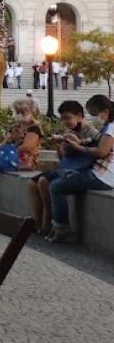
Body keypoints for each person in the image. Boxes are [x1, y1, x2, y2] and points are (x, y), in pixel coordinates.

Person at [47, 94, 114, 242]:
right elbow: (94, 141)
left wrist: (78, 147)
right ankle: (57, 226)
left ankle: (62, 228)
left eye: (94, 114)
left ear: (105, 112)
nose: (93, 118)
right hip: (99, 173)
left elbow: (101, 152)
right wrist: (71, 141)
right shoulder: (108, 127)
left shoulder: (111, 128)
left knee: (57, 186)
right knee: (60, 177)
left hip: (102, 176)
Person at [28, 100, 97, 238]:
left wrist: (77, 143)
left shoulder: (92, 132)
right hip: (68, 166)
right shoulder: (69, 132)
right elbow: (64, 158)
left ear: (79, 115)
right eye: (63, 119)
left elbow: (92, 154)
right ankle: (37, 219)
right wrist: (60, 146)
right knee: (31, 183)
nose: (65, 122)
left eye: (68, 118)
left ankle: (47, 221)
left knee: (43, 181)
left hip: (80, 169)